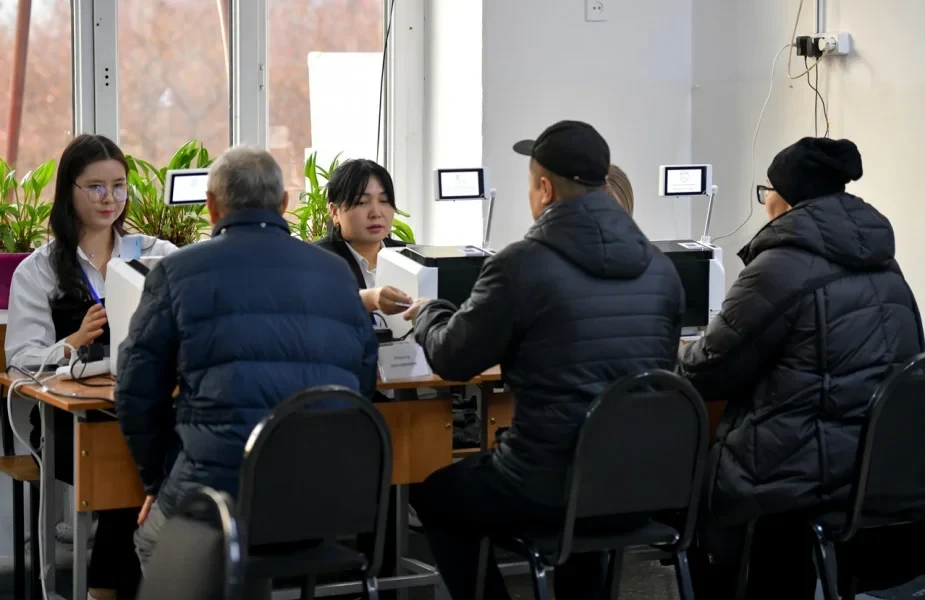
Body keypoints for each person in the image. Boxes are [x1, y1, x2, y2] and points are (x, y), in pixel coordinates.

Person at [401, 120, 685, 600]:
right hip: (637, 483)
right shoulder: (662, 269)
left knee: (435, 496)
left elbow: (453, 357)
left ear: (545, 190)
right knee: (586, 500)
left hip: (543, 485)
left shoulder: (521, 264)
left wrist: (430, 312)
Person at [678, 137, 924, 599]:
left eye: (765, 190)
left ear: (786, 197)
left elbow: (707, 371)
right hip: (877, 479)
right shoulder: (888, 267)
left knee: (692, 498)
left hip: (794, 480)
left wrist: (679, 351)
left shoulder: (778, 267)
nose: (764, 201)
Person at [114, 146, 378, 570]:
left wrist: (156, 480)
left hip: (217, 494)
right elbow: (362, 379)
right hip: (320, 494)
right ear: (284, 203)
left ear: (211, 206)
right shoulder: (336, 272)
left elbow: (135, 389)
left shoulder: (177, 272)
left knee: (152, 542)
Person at [5, 133, 177, 600]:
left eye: (119, 186)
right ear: (70, 191)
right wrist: (72, 343)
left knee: (168, 459)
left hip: (142, 407)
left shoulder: (152, 254)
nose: (109, 199)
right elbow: (20, 360)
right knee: (127, 467)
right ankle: (105, 590)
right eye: (96, 187)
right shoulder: (39, 270)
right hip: (67, 424)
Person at [315, 158, 412, 316]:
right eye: (361, 202)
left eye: (384, 201)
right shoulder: (315, 260)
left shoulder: (410, 258)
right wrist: (369, 299)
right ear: (334, 212)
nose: (376, 213)